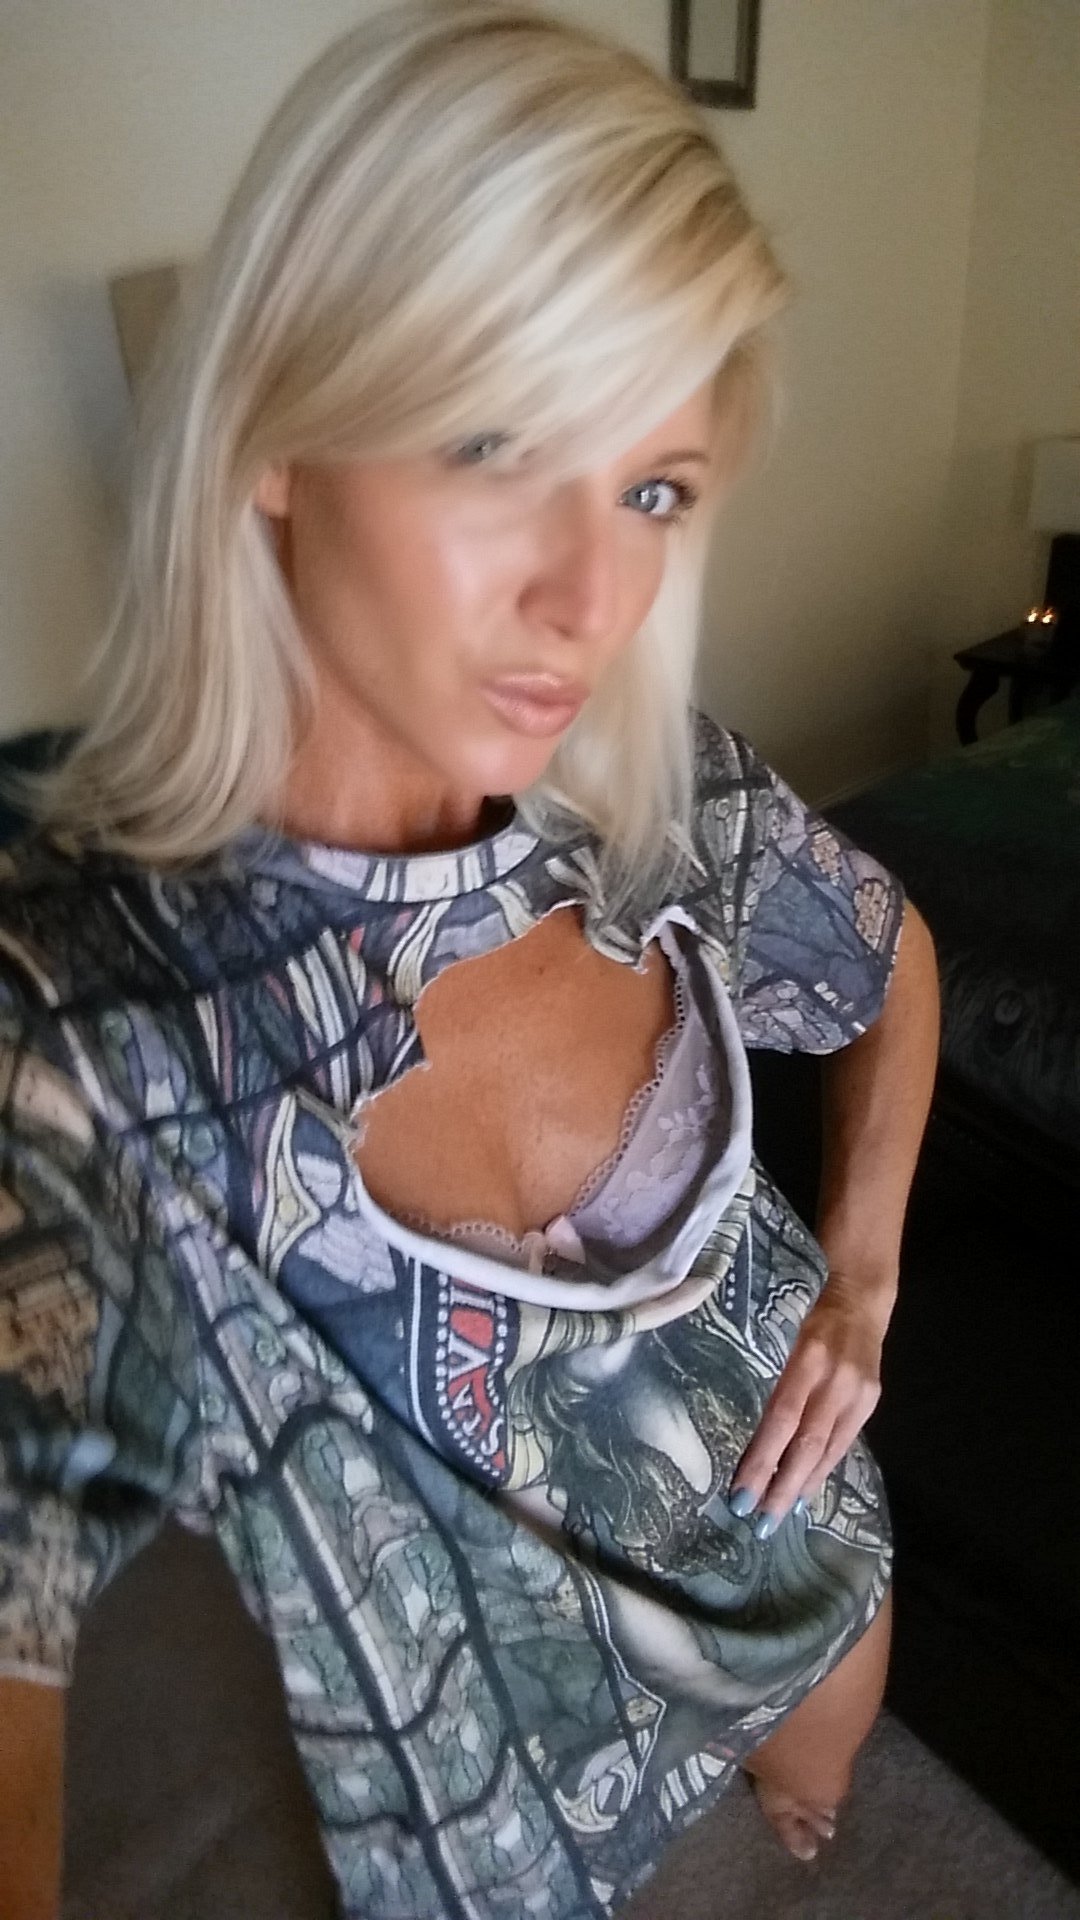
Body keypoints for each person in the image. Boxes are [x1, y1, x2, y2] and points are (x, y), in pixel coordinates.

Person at [0, 2, 940, 1915]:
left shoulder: (656, 794)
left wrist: (861, 1277)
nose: (592, 601)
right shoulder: (77, 1009)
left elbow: (893, 955)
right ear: (274, 430)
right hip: (499, 1801)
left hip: (811, 1575)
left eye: (654, 488)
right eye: (496, 442)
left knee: (815, 1824)